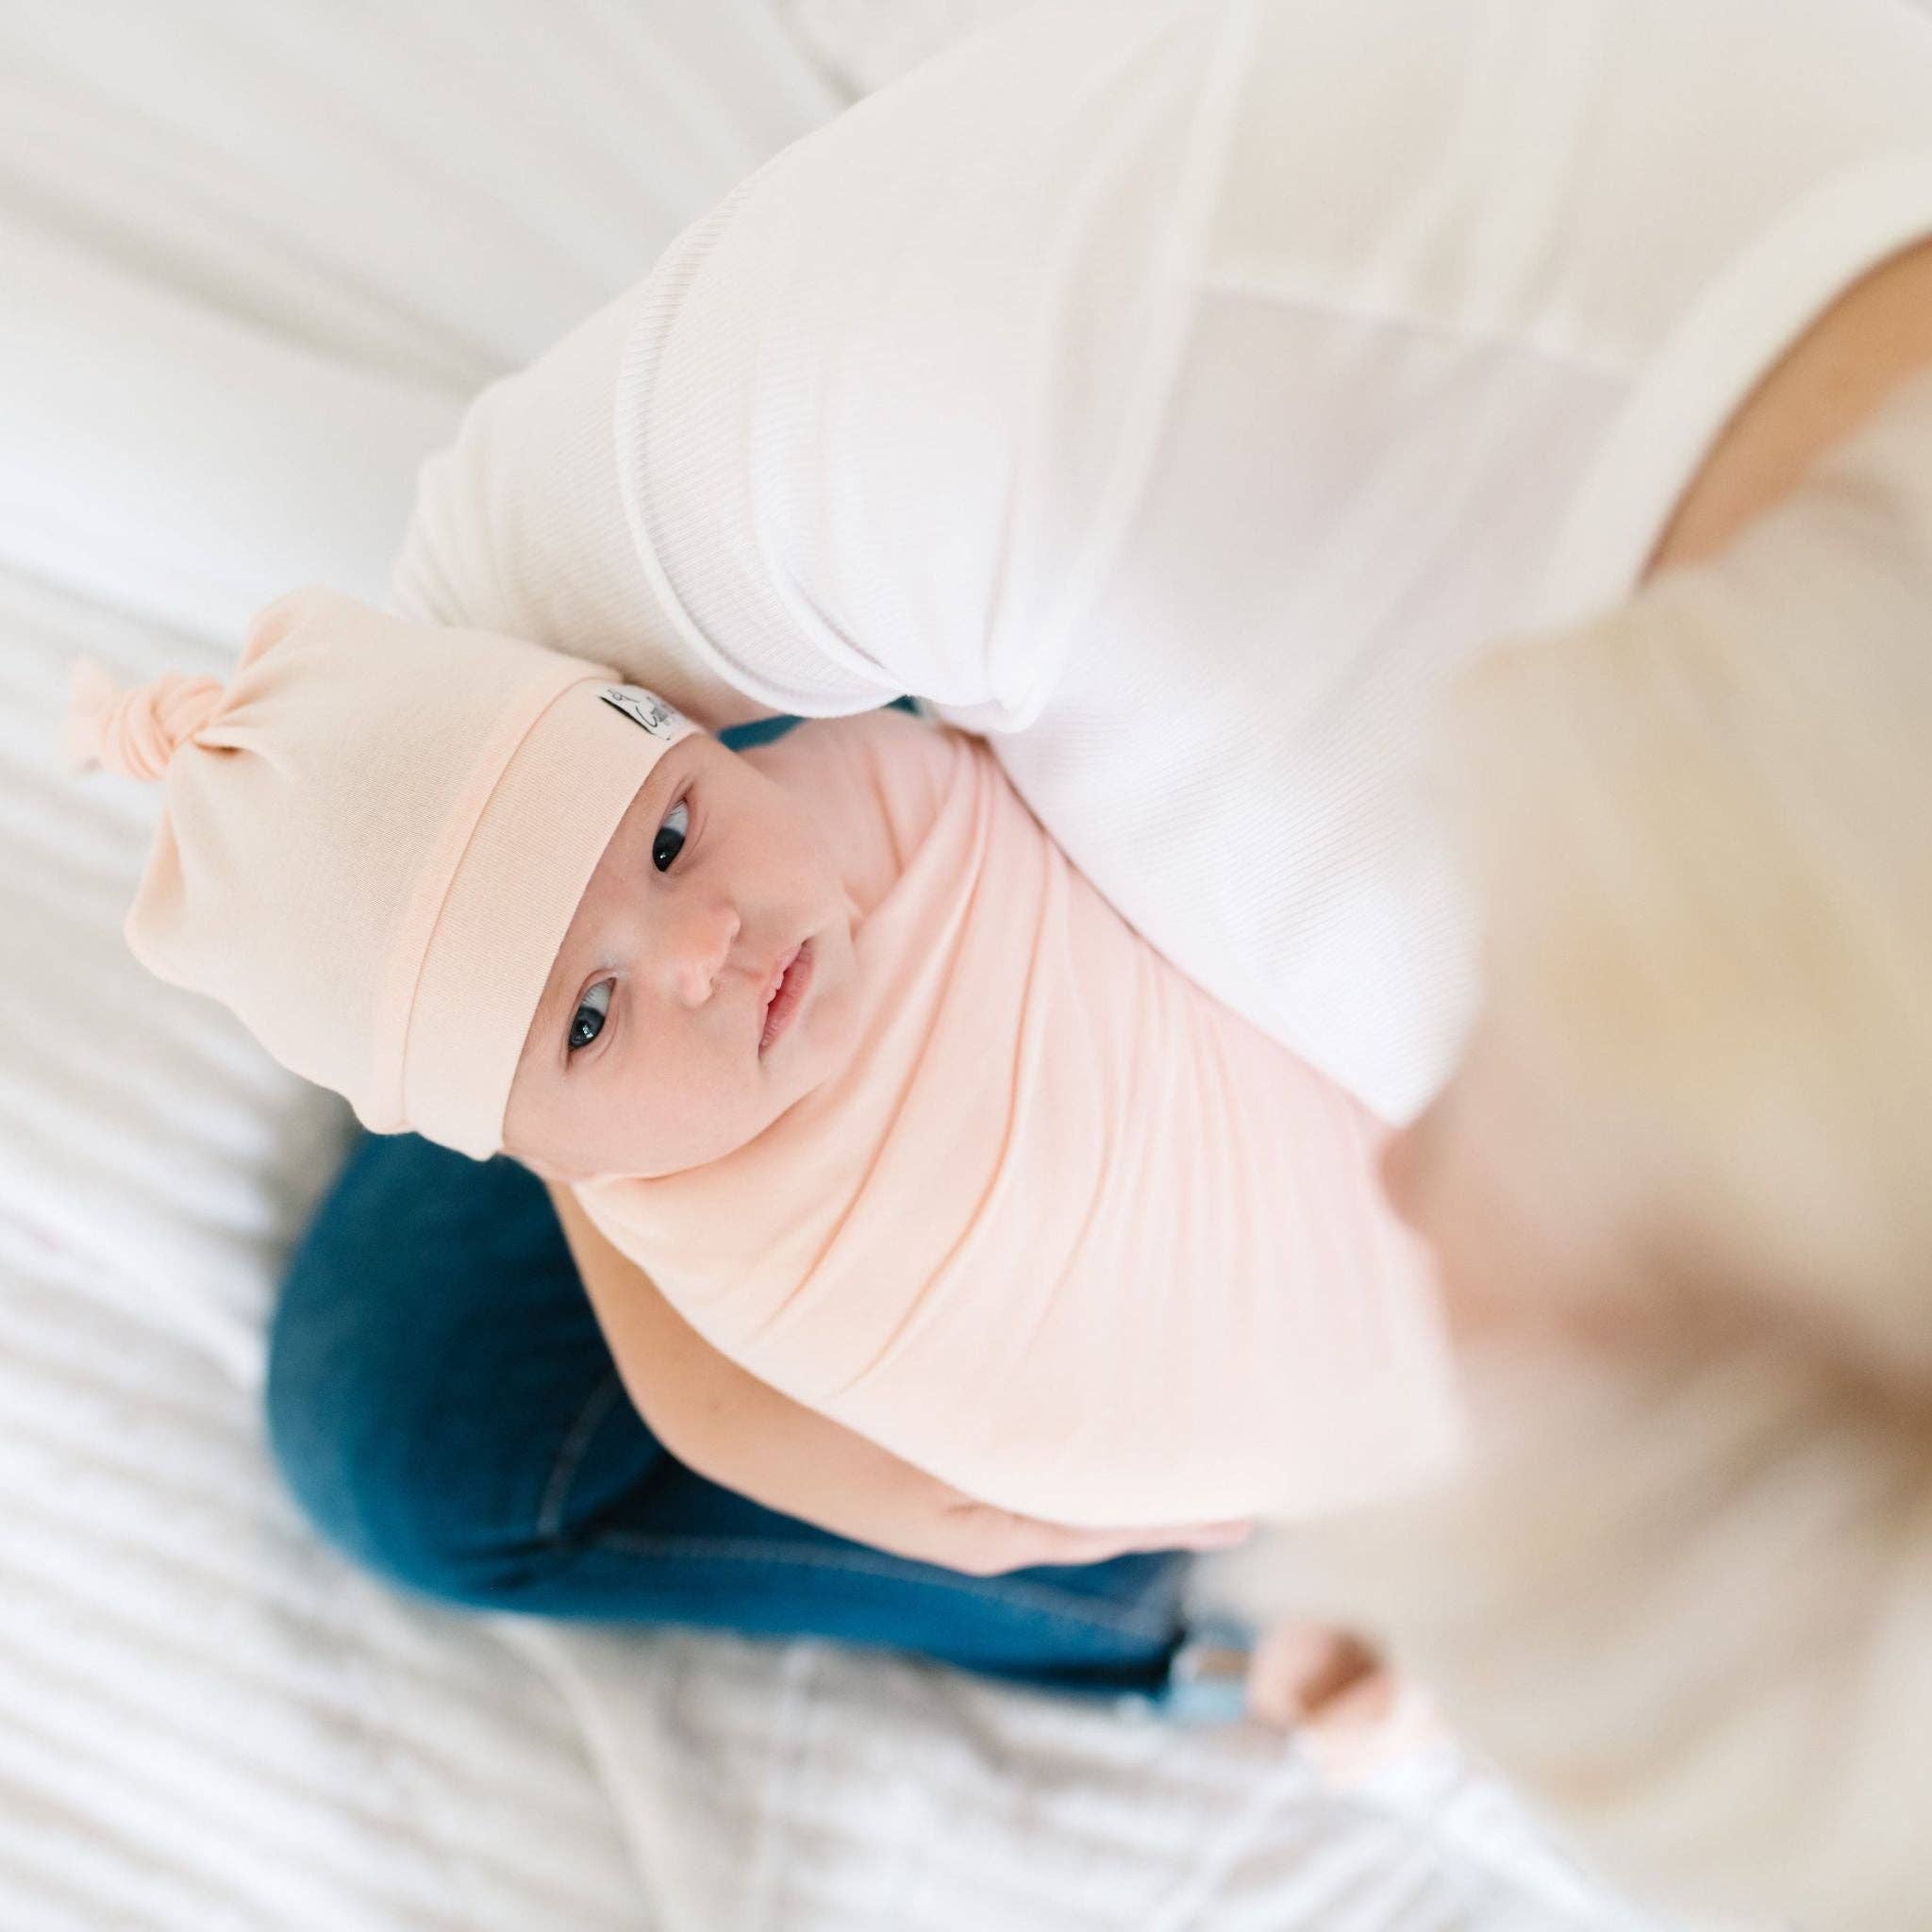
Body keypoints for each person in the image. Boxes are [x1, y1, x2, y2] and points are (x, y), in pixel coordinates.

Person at [273, 0, 1932, 1915]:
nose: (1406, 1166)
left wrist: (1482, 1555)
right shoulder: (1094, 357)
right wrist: (681, 1325)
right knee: (422, 1404)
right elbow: (455, 668)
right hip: (979, 656)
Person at [67, 586, 1451, 1725]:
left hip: (721, 748)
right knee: (392, 1442)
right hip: (616, 1135)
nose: (705, 945)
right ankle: (1160, 1622)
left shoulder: (817, 739)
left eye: (673, 841)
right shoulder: (683, 1170)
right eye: (594, 1013)